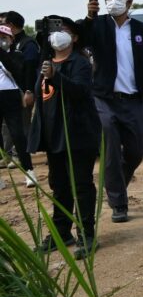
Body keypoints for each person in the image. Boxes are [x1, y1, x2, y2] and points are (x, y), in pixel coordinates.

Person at [79, 0, 143, 224]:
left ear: (129, 1)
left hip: (133, 99)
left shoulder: (141, 29)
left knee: (137, 149)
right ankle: (118, 202)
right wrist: (89, 17)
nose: (112, 0)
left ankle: (117, 184)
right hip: (104, 98)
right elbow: (81, 40)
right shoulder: (97, 25)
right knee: (111, 151)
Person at [28, 18, 101, 259]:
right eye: (54, 31)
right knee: (59, 186)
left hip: (77, 135)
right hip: (53, 135)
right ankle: (61, 232)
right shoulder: (45, 63)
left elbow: (80, 91)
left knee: (80, 184)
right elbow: (41, 96)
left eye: (64, 30)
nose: (58, 35)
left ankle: (86, 234)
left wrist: (56, 77)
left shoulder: (79, 63)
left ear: (75, 37)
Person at [0, 23, 35, 184]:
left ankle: (29, 171)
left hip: (10, 95)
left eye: (4, 37)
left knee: (17, 134)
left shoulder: (16, 55)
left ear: (11, 39)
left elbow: (16, 70)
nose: (1, 40)